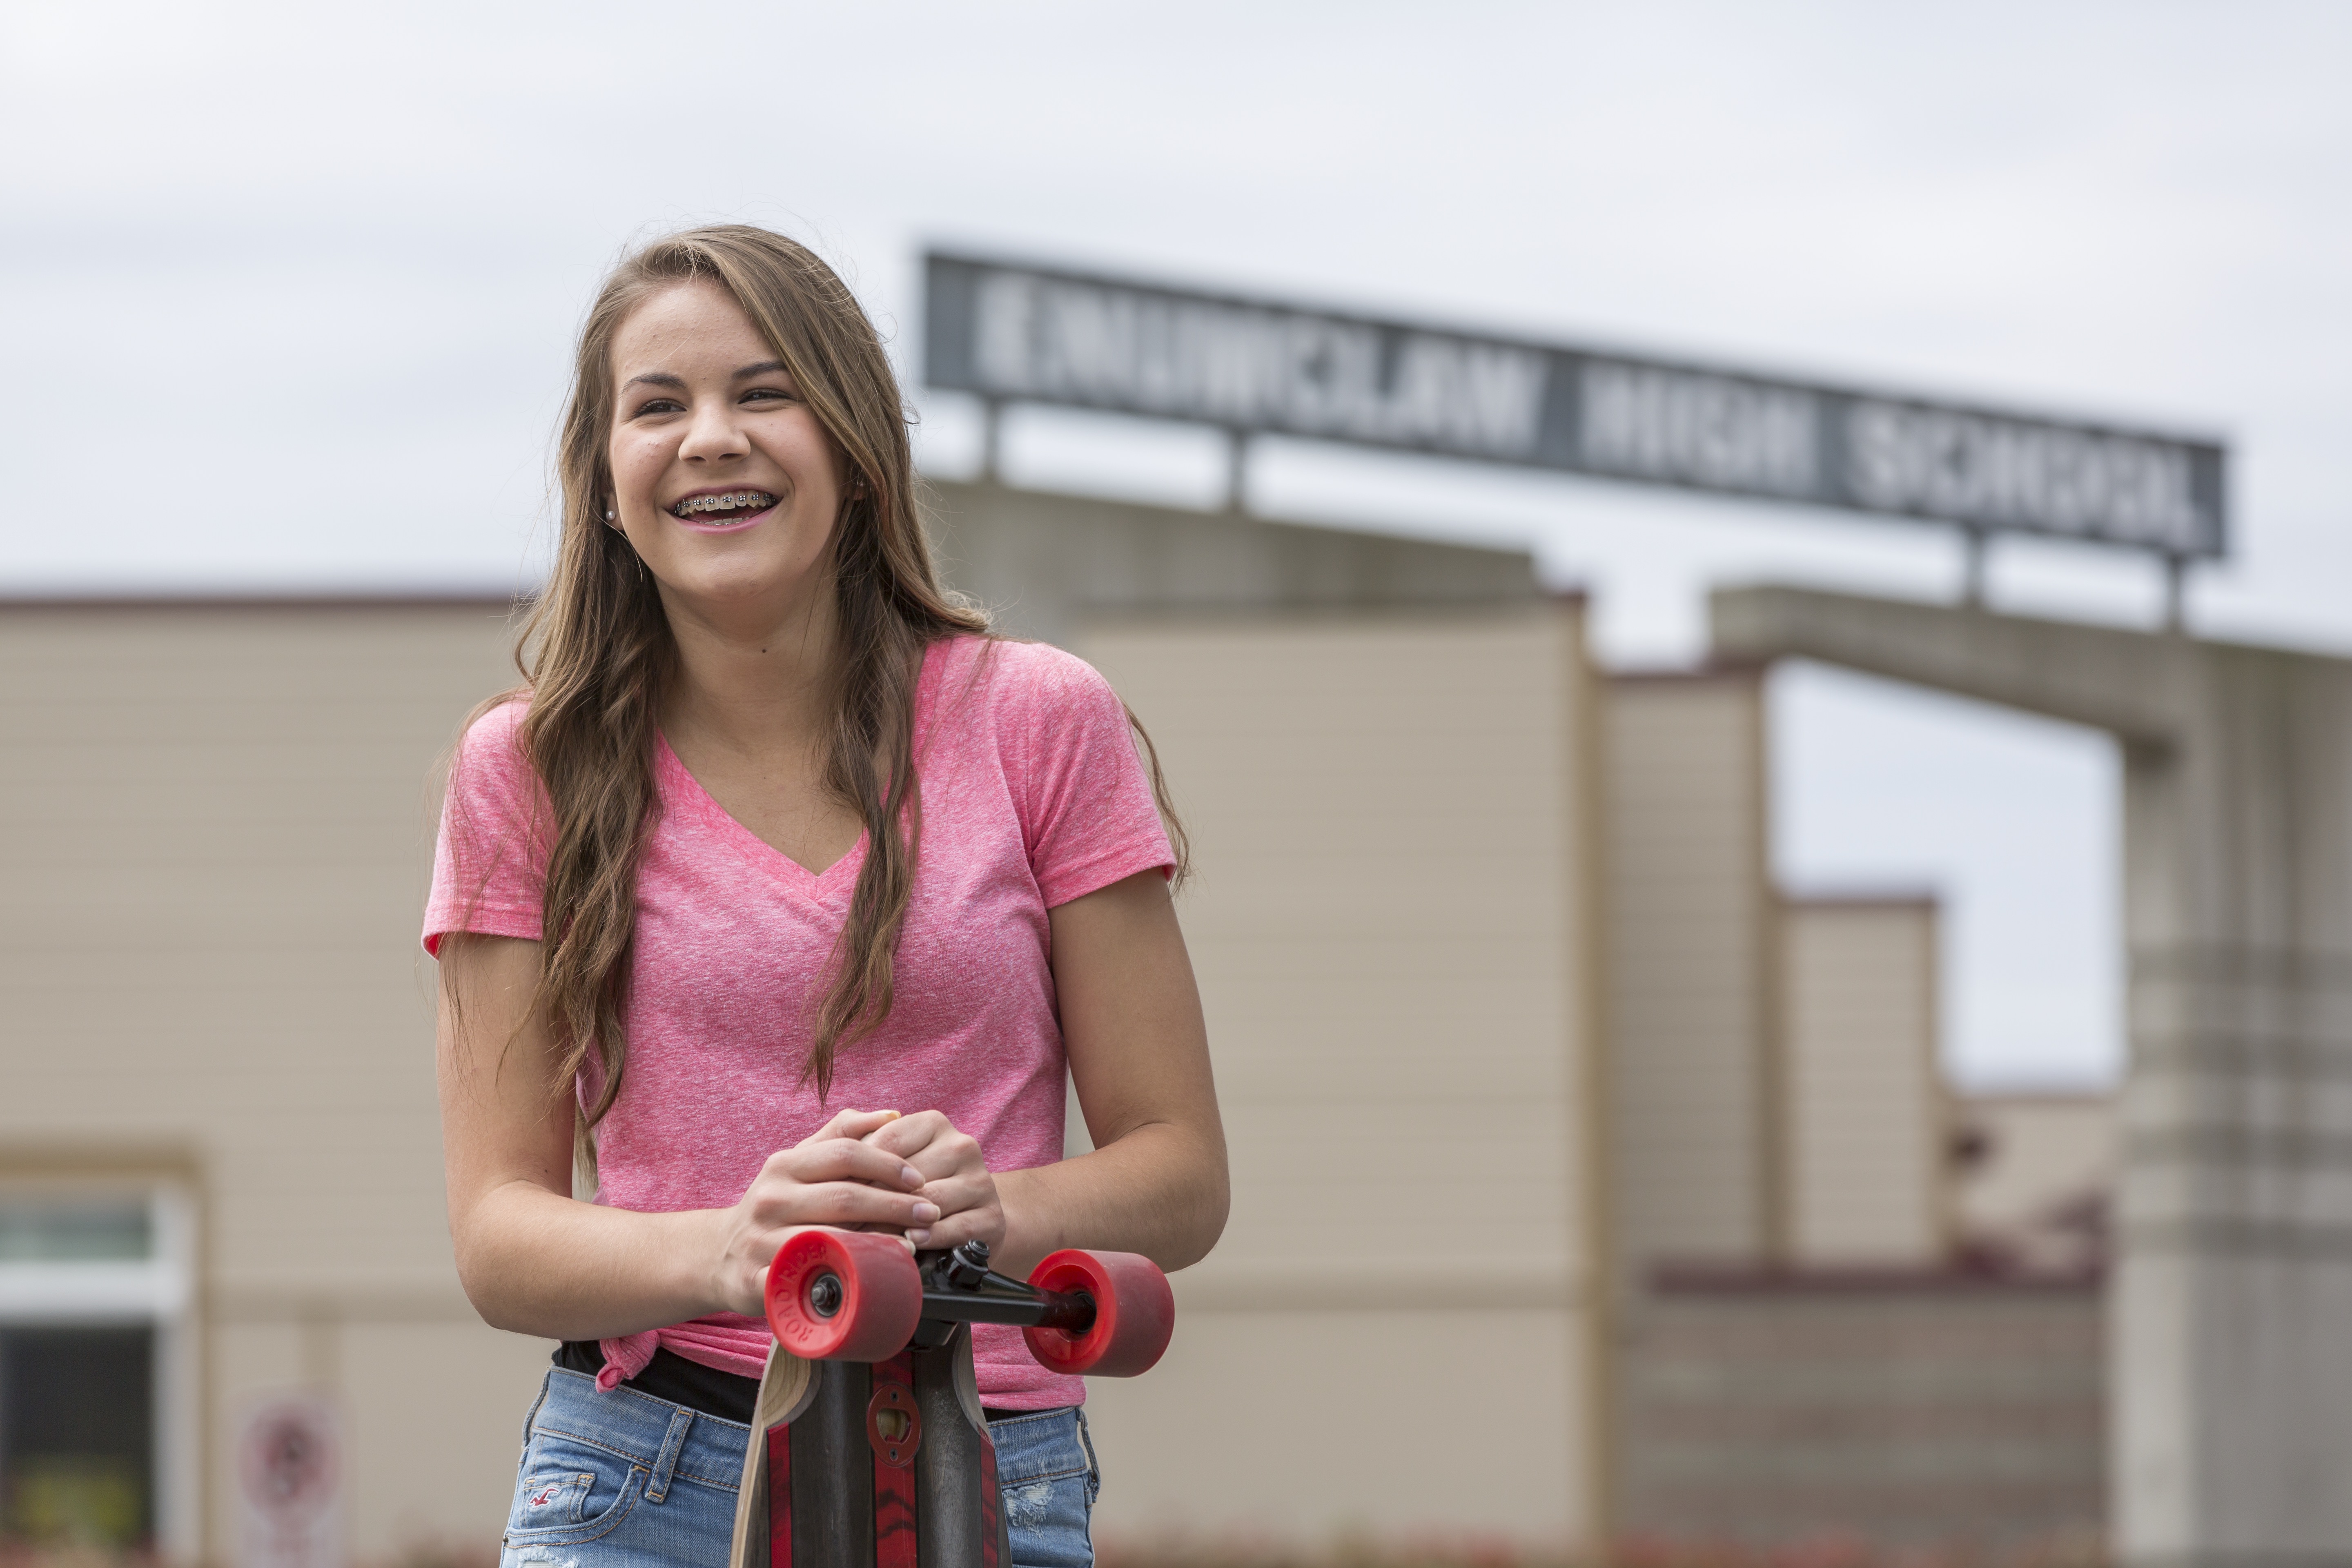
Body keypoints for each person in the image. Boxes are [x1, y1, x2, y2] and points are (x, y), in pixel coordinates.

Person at [425, 224, 1229, 1568]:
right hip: (637, 1483)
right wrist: (731, 1252)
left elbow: (1183, 1177)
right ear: (608, 480)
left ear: (855, 452)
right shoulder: (525, 771)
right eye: (659, 406)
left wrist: (991, 1215)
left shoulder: (1038, 720)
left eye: (764, 392)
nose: (711, 438)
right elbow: (499, 1237)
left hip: (983, 1472)